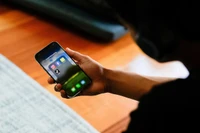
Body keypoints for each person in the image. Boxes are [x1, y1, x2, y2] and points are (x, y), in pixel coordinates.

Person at [48, 0, 200, 132]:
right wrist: (106, 78)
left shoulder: (160, 114)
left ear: (153, 36)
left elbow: (175, 100)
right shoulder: (177, 99)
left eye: (128, 28)